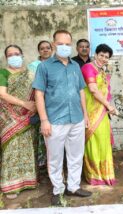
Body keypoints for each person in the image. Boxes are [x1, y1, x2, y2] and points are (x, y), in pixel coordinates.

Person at [33, 30, 92, 206]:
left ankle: (73, 187)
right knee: (55, 157)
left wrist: (85, 115)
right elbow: (39, 94)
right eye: (60, 44)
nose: (64, 47)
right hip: (54, 121)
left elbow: (81, 91)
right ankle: (57, 190)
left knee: (76, 155)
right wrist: (44, 120)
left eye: (67, 44)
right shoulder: (44, 67)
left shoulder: (75, 66)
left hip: (77, 118)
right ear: (53, 45)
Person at [0, 45, 38, 199]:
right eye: (10, 55)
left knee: (28, 148)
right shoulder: (3, 72)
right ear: (6, 58)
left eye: (17, 54)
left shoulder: (31, 74)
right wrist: (24, 104)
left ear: (22, 55)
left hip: (29, 117)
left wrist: (34, 107)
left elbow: (37, 92)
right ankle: (10, 185)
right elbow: (2, 94)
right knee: (11, 149)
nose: (14, 56)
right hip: (9, 118)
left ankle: (28, 182)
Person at [81, 44, 117, 186]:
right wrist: (108, 106)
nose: (103, 59)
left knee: (103, 142)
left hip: (103, 113)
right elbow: (93, 90)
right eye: (101, 55)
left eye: (106, 57)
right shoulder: (88, 68)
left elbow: (106, 93)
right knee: (93, 142)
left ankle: (105, 174)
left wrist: (108, 108)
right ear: (95, 54)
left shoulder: (102, 71)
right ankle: (94, 175)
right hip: (91, 112)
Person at [27, 40, 53, 169]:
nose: (45, 50)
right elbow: (30, 87)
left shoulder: (57, 64)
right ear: (39, 51)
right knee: (41, 133)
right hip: (39, 103)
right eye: (42, 48)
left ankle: (53, 163)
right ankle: (41, 164)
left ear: (52, 50)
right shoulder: (33, 66)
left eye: (48, 48)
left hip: (54, 105)